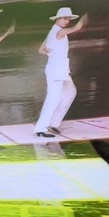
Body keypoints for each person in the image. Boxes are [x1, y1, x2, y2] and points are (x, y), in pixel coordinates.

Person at [34, 7, 87, 138]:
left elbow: (41, 50)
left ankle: (54, 123)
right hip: (55, 70)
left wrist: (51, 53)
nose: (66, 21)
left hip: (61, 69)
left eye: (68, 19)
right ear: (58, 19)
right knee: (53, 98)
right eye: (64, 19)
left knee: (71, 92)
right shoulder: (59, 31)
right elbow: (77, 28)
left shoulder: (53, 32)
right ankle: (41, 128)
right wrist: (83, 18)